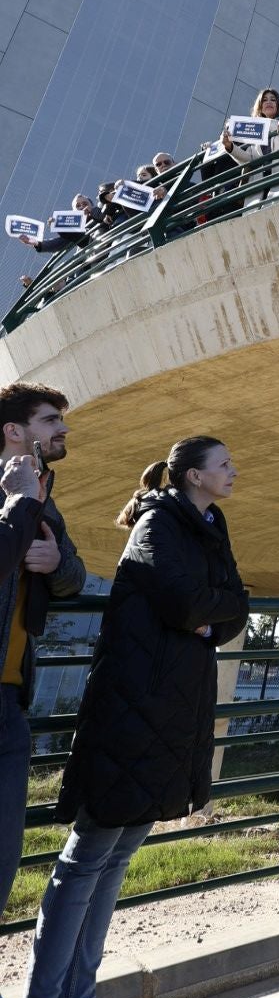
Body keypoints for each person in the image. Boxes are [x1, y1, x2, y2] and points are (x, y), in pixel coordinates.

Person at [2, 437, 248, 998]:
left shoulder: (206, 524)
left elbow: (234, 608)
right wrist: (211, 610)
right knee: (83, 865)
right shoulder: (156, 524)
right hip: (132, 713)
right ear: (194, 473)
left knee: (112, 862)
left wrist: (215, 610)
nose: (235, 472)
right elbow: (188, 602)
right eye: (225, 464)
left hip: (172, 714)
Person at [0, 387, 85, 919]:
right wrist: (20, 500)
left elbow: (75, 577)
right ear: (14, 430)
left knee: (4, 855)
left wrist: (55, 562)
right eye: (51, 420)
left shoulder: (46, 497)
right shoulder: (24, 493)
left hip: (11, 704)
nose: (64, 430)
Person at [221, 88, 279, 201]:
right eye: (264, 100)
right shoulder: (255, 130)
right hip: (261, 188)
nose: (268, 102)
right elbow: (249, 159)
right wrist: (229, 146)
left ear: (278, 105)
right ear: (260, 106)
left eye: (273, 100)